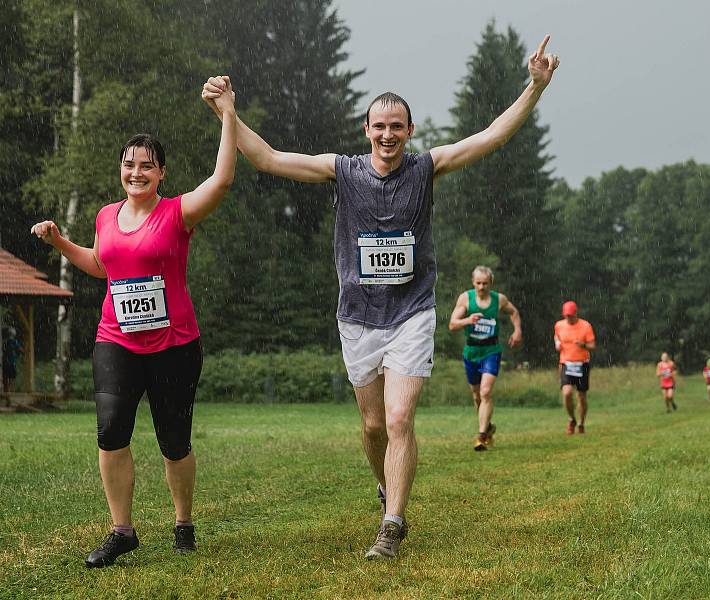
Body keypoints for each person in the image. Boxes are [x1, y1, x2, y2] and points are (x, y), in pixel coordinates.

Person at [202, 37, 559, 559]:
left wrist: (535, 87)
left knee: (398, 420)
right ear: (366, 131)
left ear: (409, 132)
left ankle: (392, 523)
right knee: (372, 426)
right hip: (358, 318)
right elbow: (268, 157)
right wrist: (227, 112)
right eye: (379, 126)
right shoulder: (342, 171)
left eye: (397, 126)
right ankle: (385, 485)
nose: (388, 134)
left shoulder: (425, 167)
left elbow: (489, 137)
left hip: (411, 312)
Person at [30, 85, 237, 567]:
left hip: (174, 345)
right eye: (129, 164)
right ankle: (122, 530)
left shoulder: (178, 212)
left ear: (161, 172)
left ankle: (183, 522)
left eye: (146, 165)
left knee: (174, 441)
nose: (136, 172)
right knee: (110, 431)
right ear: (121, 170)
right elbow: (105, 266)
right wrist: (61, 242)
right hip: (116, 340)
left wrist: (227, 116)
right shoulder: (106, 215)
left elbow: (222, 181)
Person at [448, 265, 522, 451]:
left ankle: (481, 436)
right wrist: (468, 320)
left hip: (491, 350)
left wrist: (517, 331)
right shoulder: (466, 298)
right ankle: (487, 426)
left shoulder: (499, 299)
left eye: (485, 283)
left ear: (491, 283)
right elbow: (452, 324)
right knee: (476, 395)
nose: (481, 287)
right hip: (471, 351)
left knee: (486, 392)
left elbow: (514, 312)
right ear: (473, 282)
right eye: (478, 283)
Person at [553, 301, 595, 434]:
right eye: (566, 316)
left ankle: (581, 423)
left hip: (582, 364)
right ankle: (572, 419)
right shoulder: (559, 325)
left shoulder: (586, 326)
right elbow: (556, 337)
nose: (568, 318)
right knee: (566, 393)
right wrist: (557, 344)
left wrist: (583, 345)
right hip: (566, 363)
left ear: (576, 313)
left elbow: (592, 346)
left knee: (581, 397)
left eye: (571, 315)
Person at [2, 327, 23, 392]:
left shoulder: (4, 342)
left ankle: (6, 392)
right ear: (14, 334)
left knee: (5, 378)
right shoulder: (15, 342)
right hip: (11, 363)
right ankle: (10, 392)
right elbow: (20, 349)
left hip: (5, 362)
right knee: (12, 378)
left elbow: (3, 349)